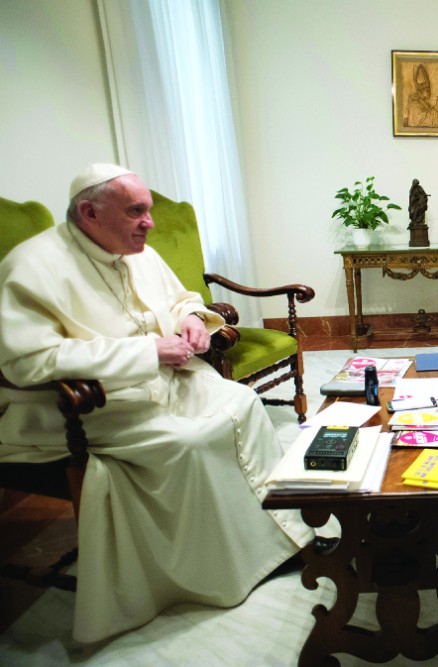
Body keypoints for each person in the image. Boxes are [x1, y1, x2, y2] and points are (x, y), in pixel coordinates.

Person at [0, 164, 312, 643]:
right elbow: (28, 362)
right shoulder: (32, 265)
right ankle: (211, 571)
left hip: (166, 378)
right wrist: (147, 352)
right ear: (90, 212)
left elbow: (182, 296)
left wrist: (190, 318)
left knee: (242, 403)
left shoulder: (133, 249)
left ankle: (278, 536)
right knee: (192, 440)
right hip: (90, 405)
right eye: (136, 211)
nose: (150, 222)